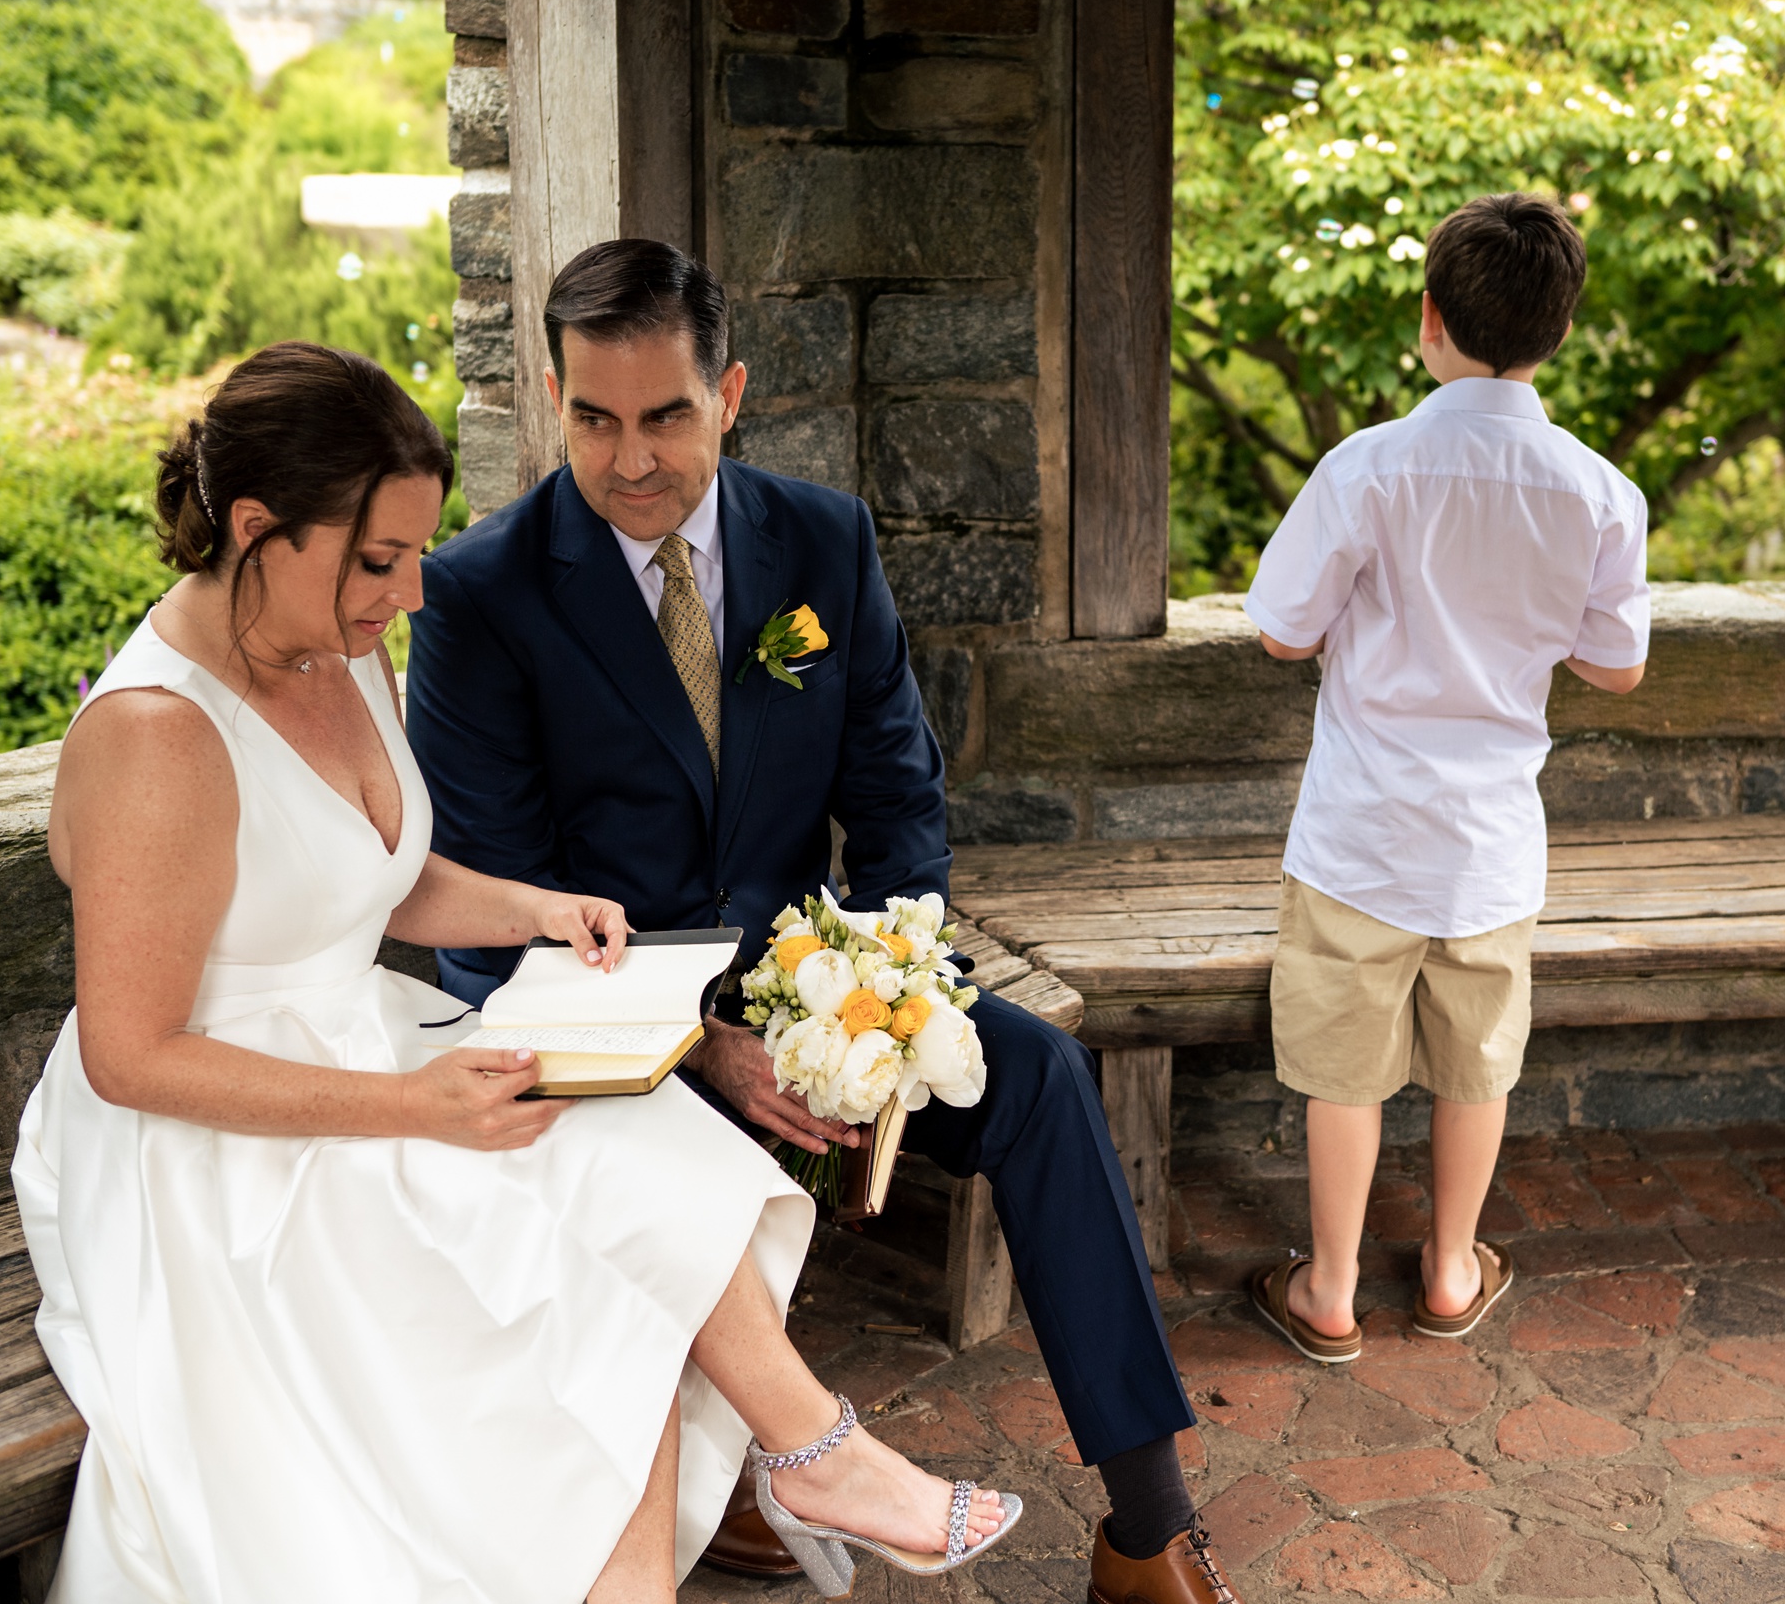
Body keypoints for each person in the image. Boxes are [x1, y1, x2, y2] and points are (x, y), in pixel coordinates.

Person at [12, 340, 1012, 1604]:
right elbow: (133, 1055)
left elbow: (372, 872)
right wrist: (417, 1109)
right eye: (380, 559)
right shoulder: (157, 738)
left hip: (370, 1044)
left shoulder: (339, 641)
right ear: (258, 528)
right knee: (575, 1307)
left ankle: (812, 1452)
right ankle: (811, 1461)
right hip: (210, 1133)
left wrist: (537, 907)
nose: (413, 592)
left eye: (418, 552)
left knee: (645, 1156)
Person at [405, 240, 1243, 1604]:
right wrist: (711, 1047)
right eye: (596, 417)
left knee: (1035, 1075)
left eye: (666, 415)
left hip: (820, 994)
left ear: (728, 392)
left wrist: (883, 997)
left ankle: (1148, 1526)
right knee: (668, 1148)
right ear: (554, 398)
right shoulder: (478, 597)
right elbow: (492, 937)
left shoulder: (825, 541)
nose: (630, 458)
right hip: (618, 1046)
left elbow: (899, 803)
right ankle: (734, 1476)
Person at [1240, 194, 1651, 1362]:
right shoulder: (1594, 489)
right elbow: (1616, 669)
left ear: (1430, 317)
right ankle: (1452, 1267)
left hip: (1362, 832)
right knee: (1477, 1064)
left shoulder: (1369, 466)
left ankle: (1327, 1287)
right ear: (1558, 331)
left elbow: (1280, 631)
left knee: (1343, 1069)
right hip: (1490, 841)